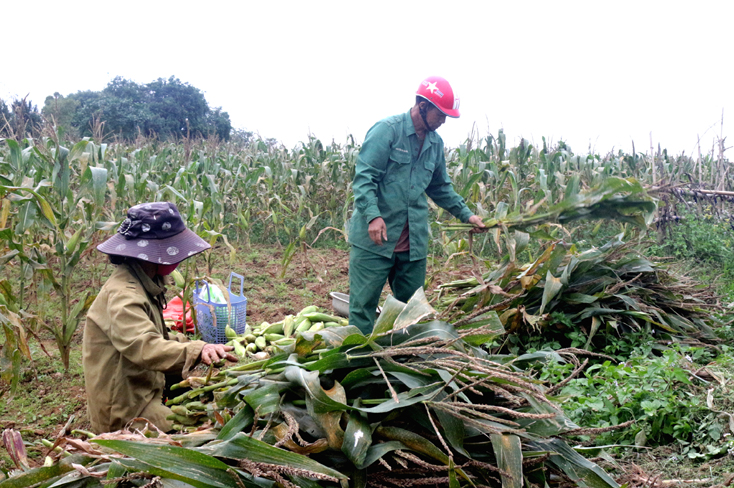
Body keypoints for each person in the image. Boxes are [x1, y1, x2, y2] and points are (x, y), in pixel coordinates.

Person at [82, 201, 237, 433]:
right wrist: (195, 350)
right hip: (127, 409)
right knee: (203, 432)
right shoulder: (124, 296)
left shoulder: (144, 279)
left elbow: (157, 335)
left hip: (146, 388)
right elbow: (145, 347)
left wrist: (201, 347)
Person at [349, 76, 486, 334]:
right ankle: (358, 365)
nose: (444, 120)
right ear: (422, 105)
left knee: (410, 313)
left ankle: (403, 363)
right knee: (362, 310)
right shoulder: (387, 131)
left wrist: (467, 216)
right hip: (375, 243)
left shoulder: (435, 144)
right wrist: (372, 216)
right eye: (441, 114)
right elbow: (364, 178)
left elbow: (440, 187)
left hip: (412, 247)